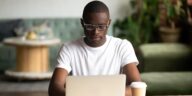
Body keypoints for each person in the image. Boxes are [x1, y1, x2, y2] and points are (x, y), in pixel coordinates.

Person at [48, 1, 141, 96]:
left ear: (108, 23)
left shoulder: (122, 46)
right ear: (82, 23)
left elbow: (137, 86)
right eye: (89, 26)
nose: (96, 32)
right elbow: (55, 87)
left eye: (101, 26)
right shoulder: (68, 49)